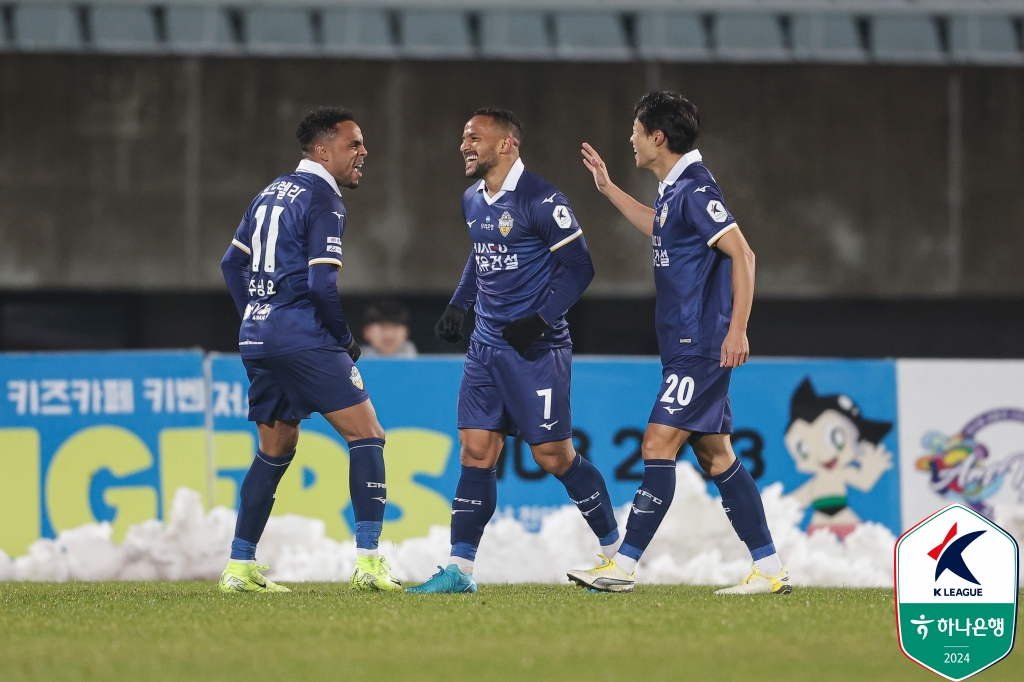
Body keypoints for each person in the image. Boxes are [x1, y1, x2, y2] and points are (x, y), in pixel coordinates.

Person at [567, 91, 790, 595]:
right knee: (717, 457)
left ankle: (622, 566)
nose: (631, 138)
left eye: (636, 130)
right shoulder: (674, 192)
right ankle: (770, 569)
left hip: (702, 345)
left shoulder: (694, 189)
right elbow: (660, 228)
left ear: (657, 137)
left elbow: (744, 255)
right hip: (686, 346)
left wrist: (737, 329)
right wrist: (608, 189)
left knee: (656, 442)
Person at [408, 108, 621, 593]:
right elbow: (481, 253)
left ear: (507, 145)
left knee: (552, 455)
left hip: (537, 351)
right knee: (476, 449)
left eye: (474, 137)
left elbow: (579, 268)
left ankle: (615, 556)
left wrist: (540, 320)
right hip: (485, 348)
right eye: (463, 137)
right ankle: (459, 571)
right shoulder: (472, 200)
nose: (464, 145)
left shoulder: (543, 200)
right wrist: (459, 306)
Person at [218, 107, 401, 593]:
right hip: (302, 334)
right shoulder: (324, 198)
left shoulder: (269, 192)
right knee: (368, 436)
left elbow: (230, 263)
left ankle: (239, 567)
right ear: (323, 150)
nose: (363, 152)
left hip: (257, 337)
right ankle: (368, 562)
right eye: (353, 144)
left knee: (275, 449)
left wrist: (256, 313)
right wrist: (342, 338)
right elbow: (322, 284)